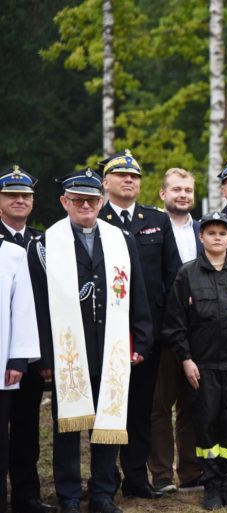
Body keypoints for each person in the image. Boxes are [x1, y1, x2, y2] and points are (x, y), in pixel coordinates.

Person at [33, 168, 153, 513]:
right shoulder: (46, 244)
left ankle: (102, 493)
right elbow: (40, 305)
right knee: (68, 429)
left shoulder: (121, 239)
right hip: (68, 351)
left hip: (111, 348)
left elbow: (136, 294)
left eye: (91, 199)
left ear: (101, 202)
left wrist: (141, 340)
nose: (86, 205)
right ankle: (69, 495)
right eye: (78, 199)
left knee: (107, 425)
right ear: (64, 202)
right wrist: (45, 356)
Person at [163, 211, 227, 509]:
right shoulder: (187, 274)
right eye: (211, 232)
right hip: (202, 365)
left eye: (222, 232)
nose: (217, 237)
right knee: (206, 425)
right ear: (201, 236)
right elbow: (175, 323)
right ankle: (211, 485)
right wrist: (186, 359)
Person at [97, 149, 182, 500]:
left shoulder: (156, 220)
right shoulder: (93, 217)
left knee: (141, 409)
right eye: (121, 175)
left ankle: (136, 478)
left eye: (134, 176)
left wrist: (163, 328)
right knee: (107, 409)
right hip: (104, 335)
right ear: (106, 182)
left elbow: (173, 274)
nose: (129, 180)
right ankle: (104, 479)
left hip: (148, 335)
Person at [0, 165, 56, 513]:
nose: (20, 201)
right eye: (12, 195)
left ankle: (27, 496)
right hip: (2, 352)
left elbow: (52, 306)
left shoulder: (42, 242)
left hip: (34, 356)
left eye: (26, 196)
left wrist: (46, 358)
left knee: (27, 431)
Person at [149, 168, 203, 494]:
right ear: (162, 194)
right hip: (163, 329)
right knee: (160, 404)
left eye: (187, 190)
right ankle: (161, 475)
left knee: (193, 403)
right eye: (176, 190)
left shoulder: (203, 230)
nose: (182, 195)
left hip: (199, 329)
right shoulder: (151, 229)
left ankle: (192, 472)